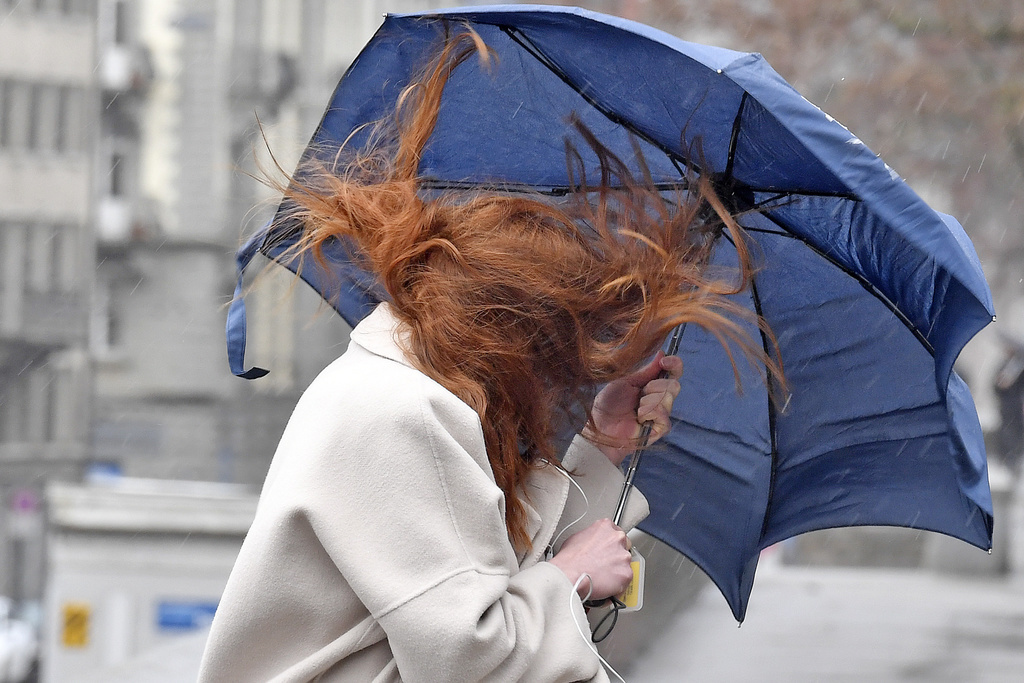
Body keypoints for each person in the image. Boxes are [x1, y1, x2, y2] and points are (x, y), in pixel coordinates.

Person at [199, 31, 767, 683]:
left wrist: (603, 443)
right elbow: (468, 656)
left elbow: (474, 569)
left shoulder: (406, 386)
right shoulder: (405, 413)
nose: (568, 382)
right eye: (567, 356)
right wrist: (572, 577)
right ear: (517, 337)